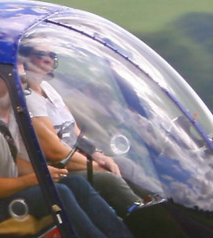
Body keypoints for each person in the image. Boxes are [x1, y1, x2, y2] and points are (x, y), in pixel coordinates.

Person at [0, 73, 137, 238]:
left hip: (6, 194)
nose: (24, 85)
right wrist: (38, 177)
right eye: (19, 79)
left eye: (24, 81)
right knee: (59, 192)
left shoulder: (9, 118)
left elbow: (12, 161)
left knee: (77, 183)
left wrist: (45, 171)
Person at [18, 43, 146, 215]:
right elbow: (53, 152)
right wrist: (95, 166)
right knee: (108, 179)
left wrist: (98, 155)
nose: (48, 59)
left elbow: (74, 130)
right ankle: (142, 218)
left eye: (51, 54)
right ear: (25, 59)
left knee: (126, 165)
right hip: (59, 169)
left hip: (76, 159)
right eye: (41, 54)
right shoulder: (29, 99)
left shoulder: (48, 89)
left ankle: (158, 204)